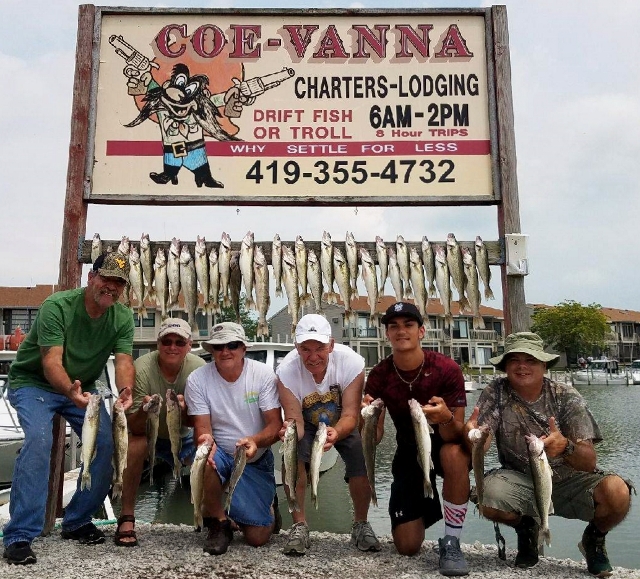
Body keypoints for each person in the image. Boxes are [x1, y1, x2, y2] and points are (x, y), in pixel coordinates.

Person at [2, 252, 135, 565]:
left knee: (106, 443)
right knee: (39, 442)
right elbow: (50, 361)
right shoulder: (57, 306)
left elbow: (125, 360)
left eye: (118, 283)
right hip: (35, 383)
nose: (111, 287)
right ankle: (20, 535)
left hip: (81, 390)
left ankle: (76, 520)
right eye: (105, 279)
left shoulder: (123, 317)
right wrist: (70, 391)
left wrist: (126, 391)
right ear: (91, 278)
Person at [465, 332, 633, 576]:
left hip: (568, 479)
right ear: (505, 366)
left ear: (544, 365)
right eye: (515, 360)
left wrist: (566, 448)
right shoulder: (496, 391)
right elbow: (485, 437)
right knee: (485, 496)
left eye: (530, 360)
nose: (522, 366)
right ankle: (527, 529)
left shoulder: (567, 396)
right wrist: (475, 436)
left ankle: (594, 541)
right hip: (519, 479)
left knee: (618, 492)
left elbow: (589, 461)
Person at [364, 302, 471, 576]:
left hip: (444, 444)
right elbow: (374, 439)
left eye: (408, 325)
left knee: (455, 455)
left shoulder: (447, 369)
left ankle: (452, 540)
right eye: (394, 326)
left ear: (421, 331)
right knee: (407, 546)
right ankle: (427, 502)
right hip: (408, 450)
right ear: (387, 334)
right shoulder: (379, 376)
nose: (401, 331)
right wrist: (369, 420)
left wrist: (445, 417)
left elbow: (458, 433)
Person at [276, 313, 381, 556]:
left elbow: (351, 414)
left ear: (331, 345)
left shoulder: (352, 363)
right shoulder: (286, 371)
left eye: (319, 348)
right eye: (305, 349)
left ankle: (360, 523)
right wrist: (289, 432)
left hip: (341, 418)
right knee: (291, 455)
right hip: (306, 420)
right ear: (296, 348)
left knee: (361, 454)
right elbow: (295, 419)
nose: (313, 357)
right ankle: (299, 525)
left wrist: (336, 433)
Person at [184, 322, 282, 555]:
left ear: (243, 348)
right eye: (218, 347)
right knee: (205, 455)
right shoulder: (197, 379)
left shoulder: (263, 374)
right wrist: (207, 442)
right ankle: (220, 522)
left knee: (257, 538)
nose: (225, 351)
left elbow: (275, 424)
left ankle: (266, 504)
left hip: (254, 458)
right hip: (221, 454)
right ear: (211, 351)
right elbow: (202, 428)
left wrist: (255, 441)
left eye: (232, 345)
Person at [114, 317, 206, 547]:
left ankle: (216, 515)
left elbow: (202, 423)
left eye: (179, 342)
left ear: (189, 345)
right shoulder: (142, 367)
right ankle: (126, 517)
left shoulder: (199, 370)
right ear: (158, 343)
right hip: (150, 436)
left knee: (213, 450)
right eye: (167, 341)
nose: (172, 347)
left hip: (185, 437)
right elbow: (133, 427)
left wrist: (184, 412)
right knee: (134, 446)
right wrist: (146, 411)